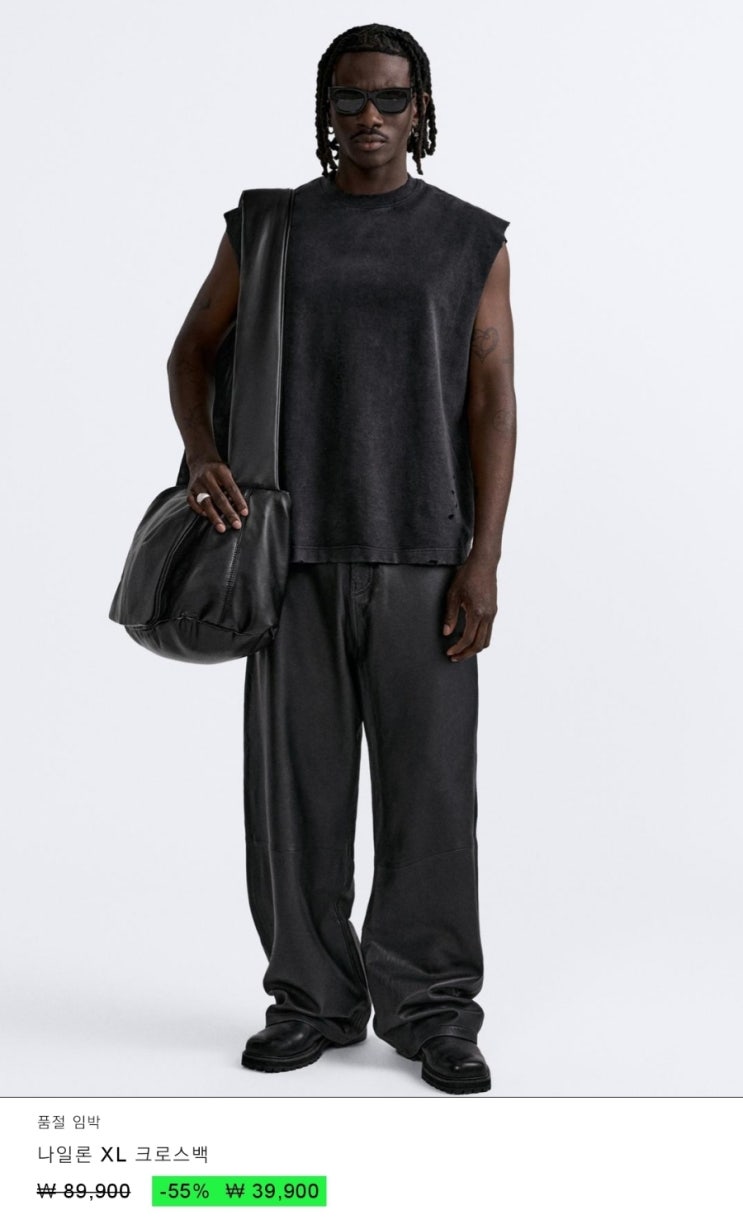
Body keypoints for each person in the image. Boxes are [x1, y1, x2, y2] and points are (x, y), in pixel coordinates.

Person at [166, 22, 516, 1095]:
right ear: (325, 111)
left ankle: (432, 1009)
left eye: (391, 99)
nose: (370, 117)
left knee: (430, 800)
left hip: (424, 553)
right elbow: (191, 352)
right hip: (292, 555)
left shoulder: (468, 239)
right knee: (297, 799)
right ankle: (310, 1001)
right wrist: (202, 457)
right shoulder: (267, 230)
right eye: (351, 99)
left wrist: (483, 559)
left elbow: (491, 400)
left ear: (422, 110)